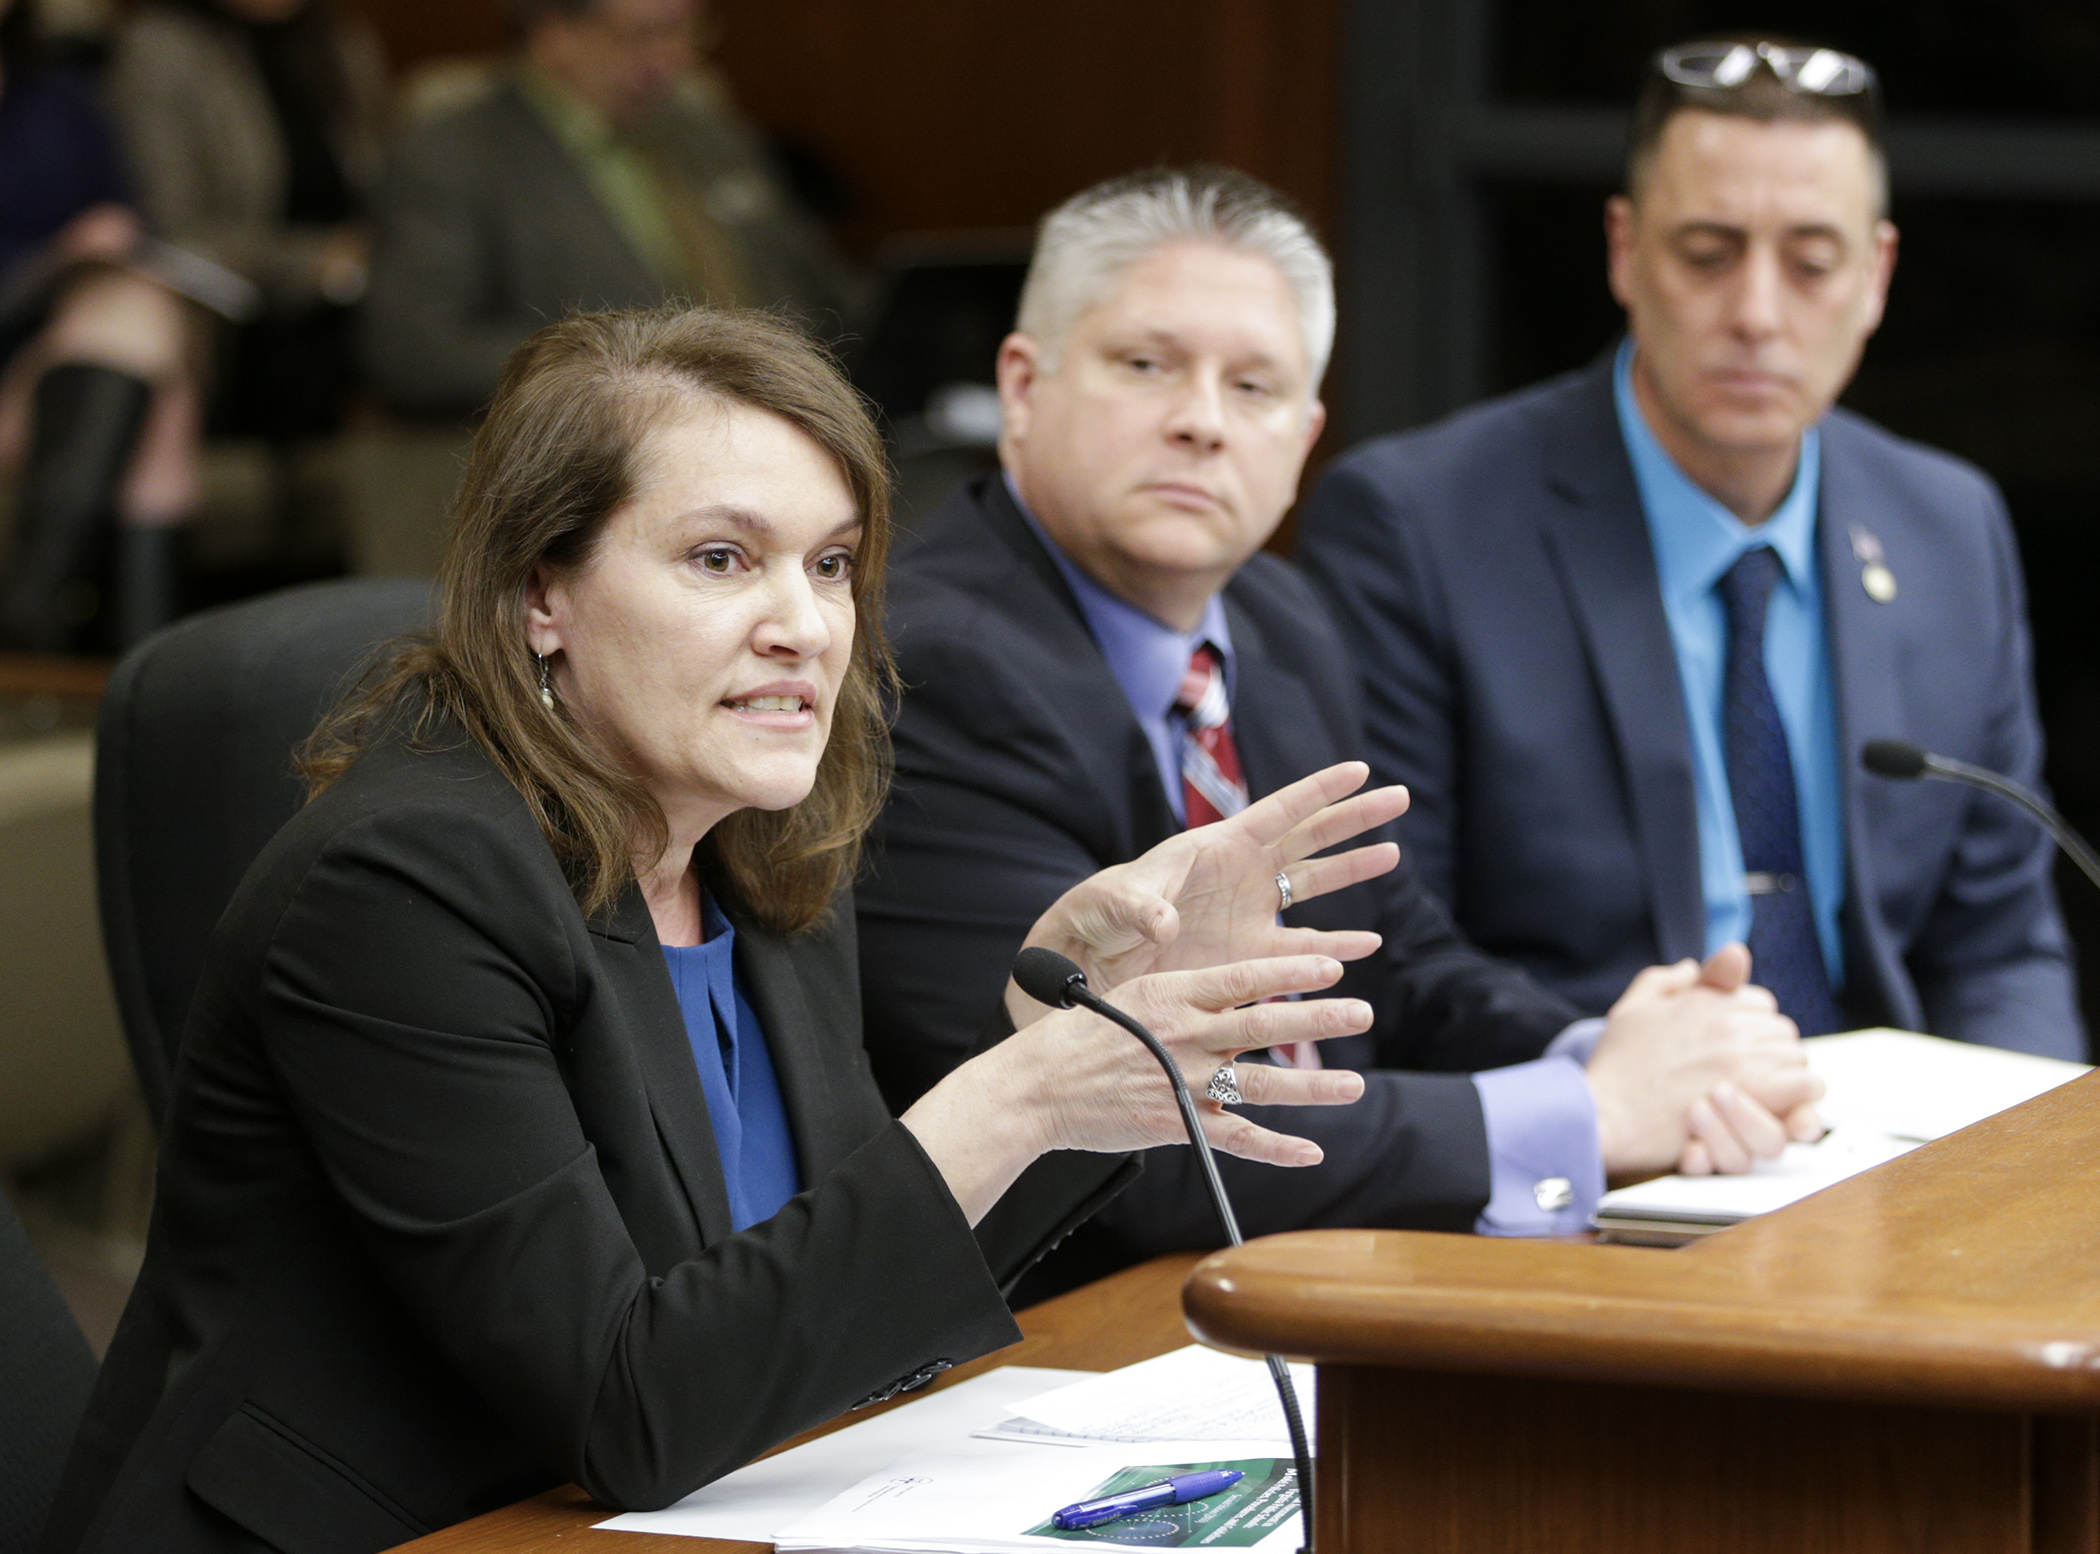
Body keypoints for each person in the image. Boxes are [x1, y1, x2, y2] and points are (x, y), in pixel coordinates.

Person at [40, 305, 1393, 1554]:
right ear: (539, 596)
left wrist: (1070, 1056)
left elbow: (814, 1295)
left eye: (833, 565)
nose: (803, 626)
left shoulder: (755, 851)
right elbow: (628, 1401)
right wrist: (1008, 1099)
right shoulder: (403, 886)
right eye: (719, 559)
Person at [858, 167, 1821, 1294]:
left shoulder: (1277, 619)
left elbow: (1394, 955)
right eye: (1146, 365)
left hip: (1316, 1281)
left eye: (1254, 386)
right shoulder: (933, 664)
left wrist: (1610, 1051)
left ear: (1306, 432)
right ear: (1023, 385)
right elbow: (1134, 1139)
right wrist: (1590, 1113)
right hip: (1073, 1340)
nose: (1202, 423)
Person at [1297, 39, 2084, 1060]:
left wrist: (2023, 1176)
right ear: (1624, 252)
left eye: (1811, 263)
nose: (1757, 314)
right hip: (1587, 1145)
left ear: (1877, 275)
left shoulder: (1947, 525)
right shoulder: (1419, 525)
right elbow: (1392, 951)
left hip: (1892, 1157)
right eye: (1708, 254)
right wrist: (1619, 1084)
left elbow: (2001, 948)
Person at [361, 0, 864, 418]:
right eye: (643, 36)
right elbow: (417, 350)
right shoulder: (452, 155)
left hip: (781, 424)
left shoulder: (706, 133)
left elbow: (816, 284)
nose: (673, 59)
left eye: (686, 32)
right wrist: (632, 369)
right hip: (588, 457)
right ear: (556, 34)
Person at [0, 0, 199, 650]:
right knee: (157, 388)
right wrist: (49, 256)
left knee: (139, 319)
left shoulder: (61, 97)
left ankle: (34, 617)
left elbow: (128, 220)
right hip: (28, 345)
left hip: (58, 346)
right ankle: (140, 674)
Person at [107, 0, 387, 444]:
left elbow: (383, 178)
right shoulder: (161, 49)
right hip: (235, 303)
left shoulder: (339, 41)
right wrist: (317, 263)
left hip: (360, 284)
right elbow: (174, 231)